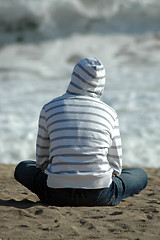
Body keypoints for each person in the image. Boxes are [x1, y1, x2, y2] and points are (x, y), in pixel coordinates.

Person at [14, 57, 148, 206]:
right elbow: (116, 167)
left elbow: (41, 161)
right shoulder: (109, 113)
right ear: (101, 83)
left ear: (74, 78)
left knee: (23, 167)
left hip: (55, 193)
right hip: (99, 194)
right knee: (140, 175)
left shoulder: (49, 108)